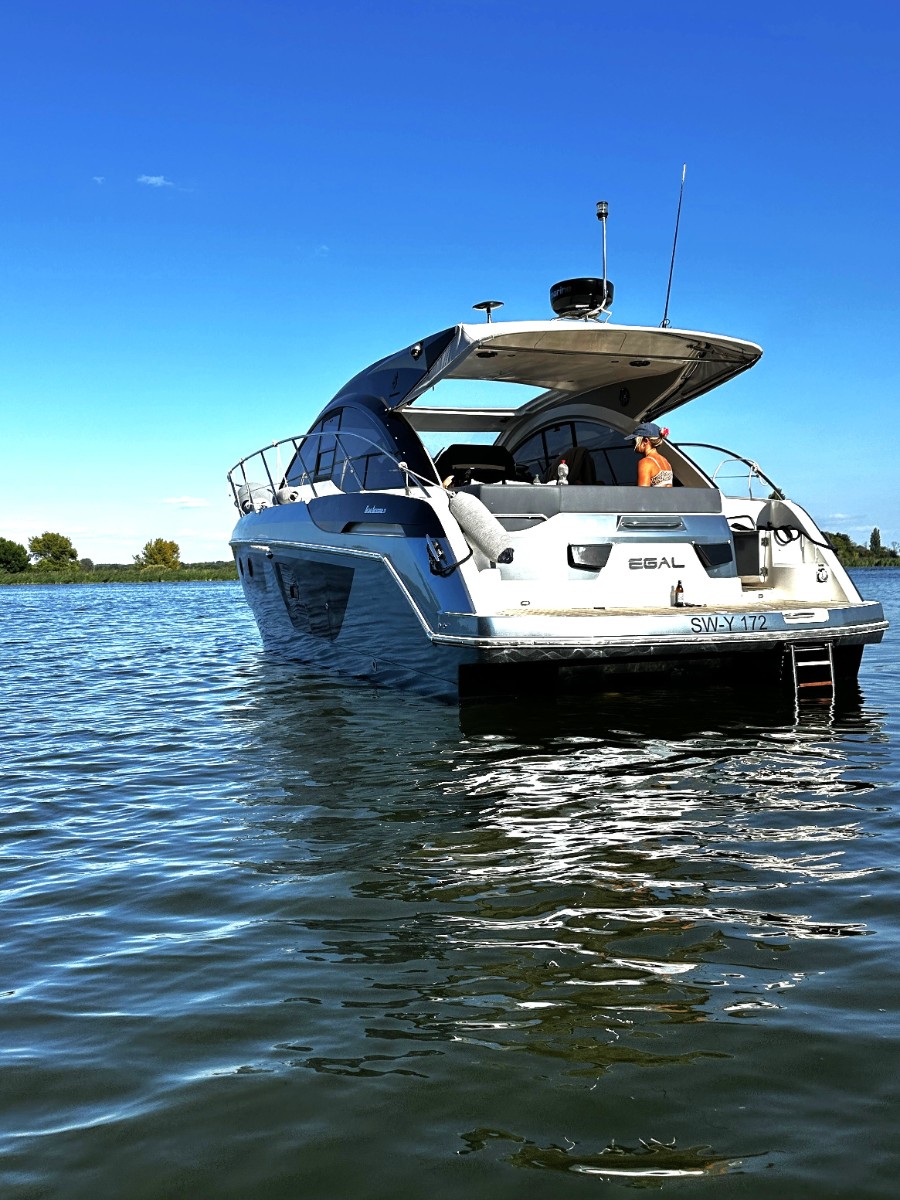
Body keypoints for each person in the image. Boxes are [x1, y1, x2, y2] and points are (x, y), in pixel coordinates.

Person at [631, 422, 673, 487]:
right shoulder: (666, 462)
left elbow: (643, 492)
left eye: (635, 441)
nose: (633, 444)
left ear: (645, 441)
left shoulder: (646, 462)